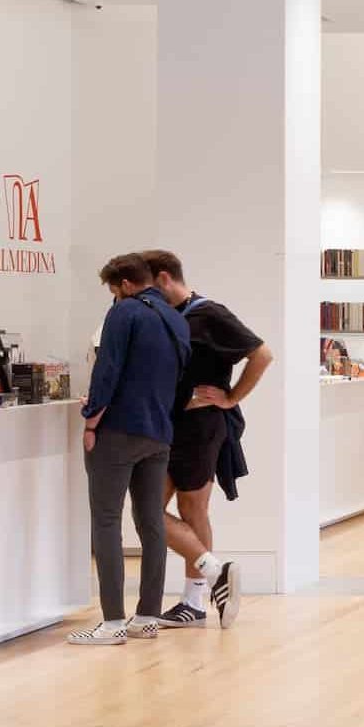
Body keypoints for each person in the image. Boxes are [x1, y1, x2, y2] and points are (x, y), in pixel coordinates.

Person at [139, 251, 267, 628]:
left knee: (192, 509)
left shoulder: (210, 314)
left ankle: (194, 601)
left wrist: (231, 397)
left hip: (200, 427)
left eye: (149, 287)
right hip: (167, 425)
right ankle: (214, 573)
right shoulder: (164, 316)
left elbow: (262, 354)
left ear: (164, 278)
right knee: (148, 508)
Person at [72, 254, 190, 646]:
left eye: (113, 290)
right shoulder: (175, 316)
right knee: (151, 522)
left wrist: (91, 420)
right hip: (160, 432)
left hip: (119, 431)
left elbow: (107, 371)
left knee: (106, 521)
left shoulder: (124, 313)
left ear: (124, 285)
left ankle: (111, 622)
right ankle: (147, 616)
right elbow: (182, 379)